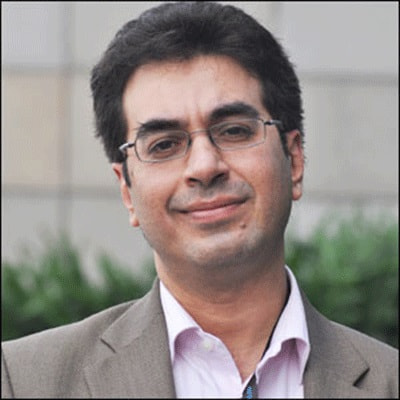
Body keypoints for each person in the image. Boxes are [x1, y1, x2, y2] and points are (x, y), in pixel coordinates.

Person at [1, 2, 398, 398]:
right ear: (127, 191)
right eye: (164, 144)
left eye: (234, 131)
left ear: (293, 160)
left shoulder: (388, 382)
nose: (205, 166)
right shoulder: (23, 382)